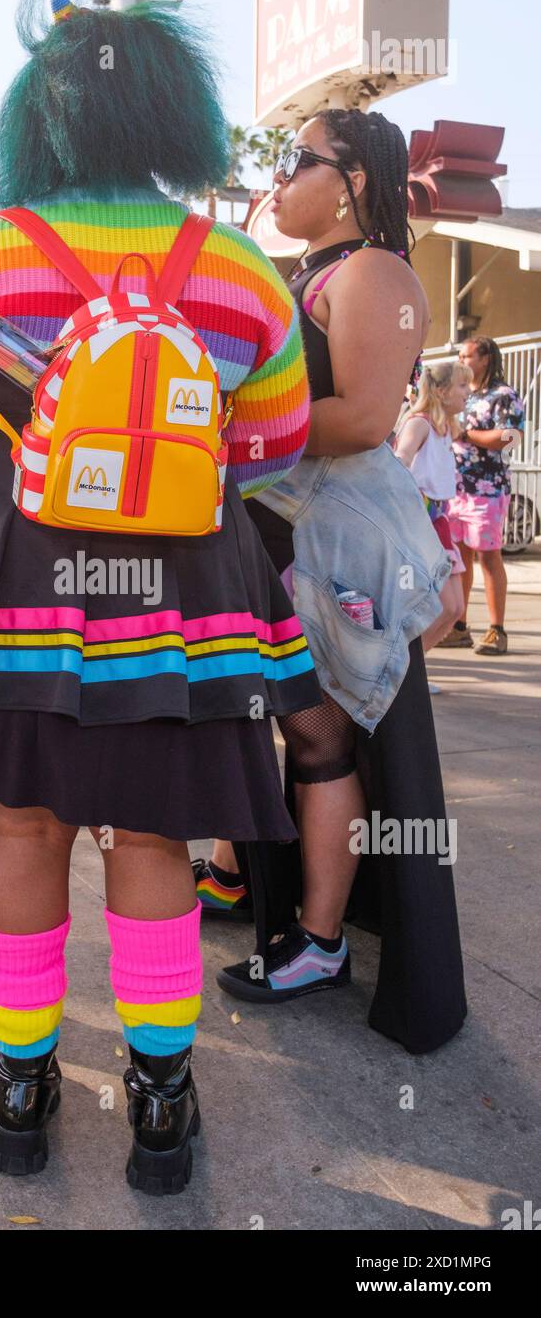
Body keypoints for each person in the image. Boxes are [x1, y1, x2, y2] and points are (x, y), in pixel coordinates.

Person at [0, 0, 319, 1193]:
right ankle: (160, 1102)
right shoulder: (236, 269)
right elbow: (270, 449)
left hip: (8, 586)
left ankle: (21, 1090)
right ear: (176, 116)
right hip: (183, 596)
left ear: (36, 119)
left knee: (19, 828)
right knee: (153, 836)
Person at [198, 109, 467, 1055]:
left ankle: (317, 944)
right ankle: (239, 881)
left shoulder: (373, 273)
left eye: (297, 160)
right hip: (279, 538)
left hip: (333, 552)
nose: (280, 176)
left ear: (351, 179)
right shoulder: (308, 273)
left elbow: (356, 418)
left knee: (322, 739)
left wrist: (219, 423)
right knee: (266, 717)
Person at [440, 335, 524, 655]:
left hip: (487, 489)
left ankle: (497, 630)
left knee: (489, 558)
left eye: (467, 356)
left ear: (486, 358)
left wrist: (467, 434)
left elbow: (510, 437)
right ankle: (459, 627)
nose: (461, 361)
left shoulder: (504, 395)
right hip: (457, 488)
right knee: (460, 559)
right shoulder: (464, 395)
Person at [393, 360, 469, 653]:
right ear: (440, 390)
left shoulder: (445, 428)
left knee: (454, 608)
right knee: (439, 607)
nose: (467, 392)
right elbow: (401, 459)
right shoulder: (419, 422)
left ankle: (415, 671)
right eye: (462, 385)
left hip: (440, 519)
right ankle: (406, 670)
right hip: (421, 520)